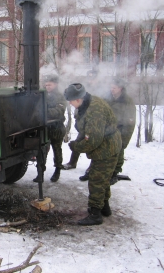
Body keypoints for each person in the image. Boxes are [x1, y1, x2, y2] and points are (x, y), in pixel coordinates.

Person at [64, 83, 121, 225]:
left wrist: (77, 146)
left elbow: (93, 140)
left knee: (96, 180)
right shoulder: (87, 104)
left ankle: (95, 214)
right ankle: (105, 208)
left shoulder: (95, 110)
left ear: (78, 99)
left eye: (71, 101)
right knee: (103, 178)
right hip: (105, 147)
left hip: (106, 149)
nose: (70, 104)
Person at [74, 78, 136, 184]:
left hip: (120, 131)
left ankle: (113, 174)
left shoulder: (127, 101)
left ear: (120, 88)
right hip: (105, 130)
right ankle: (92, 171)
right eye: (111, 87)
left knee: (118, 153)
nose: (112, 90)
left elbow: (130, 122)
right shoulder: (107, 98)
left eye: (114, 88)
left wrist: (125, 140)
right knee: (98, 151)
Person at [33, 73, 67, 182]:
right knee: (42, 151)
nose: (47, 87)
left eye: (50, 85)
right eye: (46, 85)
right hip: (45, 127)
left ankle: (57, 170)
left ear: (56, 84)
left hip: (57, 127)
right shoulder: (42, 94)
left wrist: (44, 112)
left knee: (57, 150)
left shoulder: (61, 96)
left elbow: (59, 111)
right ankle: (40, 173)